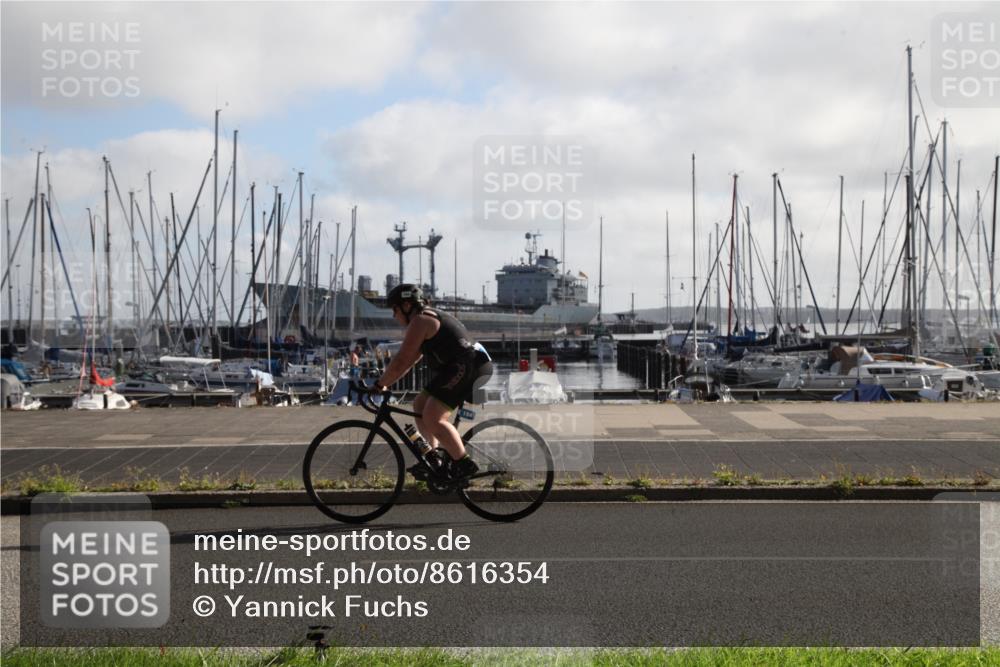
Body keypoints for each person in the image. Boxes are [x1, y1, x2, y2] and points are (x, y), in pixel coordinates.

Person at [375, 284, 492, 479]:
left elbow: (401, 360)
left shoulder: (421, 321)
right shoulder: (426, 318)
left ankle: (464, 464)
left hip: (469, 366)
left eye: (394, 309)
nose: (393, 315)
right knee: (420, 404)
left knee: (433, 417)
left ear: (406, 305)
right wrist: (386, 383)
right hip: (462, 366)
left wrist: (379, 385)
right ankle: (433, 459)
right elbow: (410, 360)